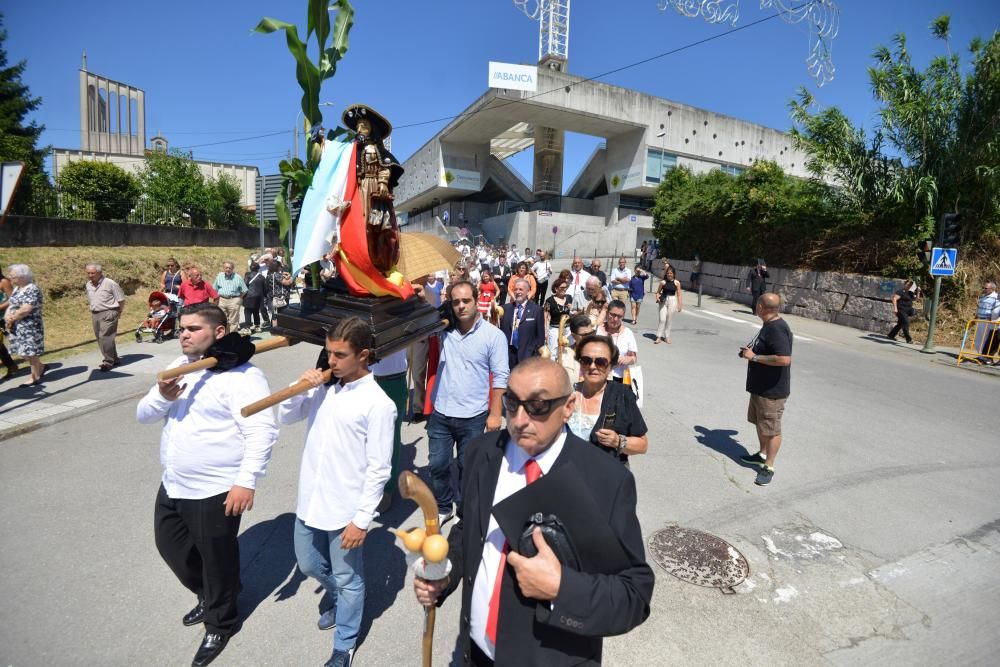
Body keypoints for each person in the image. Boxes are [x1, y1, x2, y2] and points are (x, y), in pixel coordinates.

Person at [413, 357, 654, 665]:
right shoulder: (482, 452)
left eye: (538, 406)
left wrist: (561, 589)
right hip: (474, 654)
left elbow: (633, 595)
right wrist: (446, 573)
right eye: (512, 403)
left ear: (568, 406)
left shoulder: (606, 479)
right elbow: (468, 529)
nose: (519, 419)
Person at [136, 303, 278, 667]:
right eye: (182, 328)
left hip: (216, 489)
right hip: (174, 483)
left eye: (193, 328)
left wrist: (246, 482)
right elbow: (143, 416)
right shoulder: (178, 368)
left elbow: (262, 431)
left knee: (218, 559)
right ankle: (213, 593)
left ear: (217, 332)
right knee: (173, 550)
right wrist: (161, 397)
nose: (183, 333)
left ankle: (221, 621)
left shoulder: (244, 376)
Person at [278, 318, 394, 667]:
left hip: (345, 511)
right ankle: (343, 596)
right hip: (310, 501)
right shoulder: (323, 387)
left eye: (340, 355)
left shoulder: (379, 404)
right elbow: (286, 416)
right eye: (328, 352)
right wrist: (300, 385)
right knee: (309, 564)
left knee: (348, 577)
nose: (331, 361)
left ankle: (344, 643)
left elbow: (379, 469)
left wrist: (361, 521)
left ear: (363, 355)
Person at [428, 281, 509, 524]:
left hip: (474, 415)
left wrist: (495, 414)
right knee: (438, 465)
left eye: (466, 301)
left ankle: (465, 509)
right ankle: (444, 506)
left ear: (477, 300)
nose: (461, 306)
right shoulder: (444, 330)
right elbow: (419, 323)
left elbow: (501, 377)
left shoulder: (493, 336)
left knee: (468, 467)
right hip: (441, 412)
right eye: (455, 302)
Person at [738, 293, 793, 486]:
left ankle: (768, 466)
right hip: (760, 388)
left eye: (756, 303)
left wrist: (754, 357)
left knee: (772, 428)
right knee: (761, 424)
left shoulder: (777, 329)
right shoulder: (769, 325)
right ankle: (762, 454)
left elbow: (784, 359)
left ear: (761, 306)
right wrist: (750, 352)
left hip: (772, 392)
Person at [568, 334, 649, 466]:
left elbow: (643, 444)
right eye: (586, 360)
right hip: (569, 474)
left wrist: (618, 441)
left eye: (601, 362)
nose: (593, 366)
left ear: (611, 365)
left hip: (607, 476)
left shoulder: (622, 395)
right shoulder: (568, 394)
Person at [371, 347, 408, 512]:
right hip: (365, 377)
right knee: (364, 436)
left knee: (390, 438)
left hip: (393, 379)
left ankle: (387, 489)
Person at [4, 264, 45, 385]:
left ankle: (34, 377)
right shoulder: (17, 289)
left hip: (30, 326)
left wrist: (12, 317)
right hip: (17, 326)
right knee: (22, 352)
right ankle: (40, 367)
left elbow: (27, 308)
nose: (10, 278)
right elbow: (11, 304)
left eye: (12, 276)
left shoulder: (32, 289)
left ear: (22, 276)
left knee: (29, 352)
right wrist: (8, 316)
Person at [85, 263, 126, 372]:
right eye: (88, 273)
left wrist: (119, 312)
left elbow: (121, 299)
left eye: (92, 273)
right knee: (100, 337)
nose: (90, 275)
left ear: (99, 272)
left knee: (105, 337)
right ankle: (115, 358)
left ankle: (108, 361)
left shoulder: (110, 283)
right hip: (95, 313)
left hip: (109, 312)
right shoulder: (88, 285)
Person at [501, 278, 546, 371]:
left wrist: (536, 357)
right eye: (516, 289)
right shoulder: (505, 309)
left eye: (521, 289)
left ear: (528, 291)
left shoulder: (537, 310)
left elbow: (540, 338)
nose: (517, 292)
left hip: (527, 356)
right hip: (508, 356)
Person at [597, 300, 638, 382]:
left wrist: (627, 359)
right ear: (607, 312)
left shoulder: (627, 333)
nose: (615, 319)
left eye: (619, 316)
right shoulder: (598, 330)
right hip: (598, 375)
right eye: (612, 314)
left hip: (618, 378)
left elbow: (634, 357)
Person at [558, 314, 596, 383]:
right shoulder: (565, 356)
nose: (589, 338)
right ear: (573, 335)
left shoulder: (601, 351)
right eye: (584, 335)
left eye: (591, 333)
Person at [213, 261, 247, 334]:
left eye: (230, 268)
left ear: (232, 269)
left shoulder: (237, 277)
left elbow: (244, 290)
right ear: (224, 268)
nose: (228, 269)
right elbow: (215, 289)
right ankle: (224, 336)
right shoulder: (219, 276)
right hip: (222, 300)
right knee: (222, 319)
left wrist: (238, 299)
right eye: (226, 268)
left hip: (234, 300)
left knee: (233, 321)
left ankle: (233, 337)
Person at [654, 266, 683, 344]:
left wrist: (680, 305)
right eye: (668, 273)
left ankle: (667, 336)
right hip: (663, 300)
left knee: (669, 319)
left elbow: (679, 294)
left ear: (673, 274)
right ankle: (658, 337)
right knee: (662, 319)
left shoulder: (677, 283)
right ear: (666, 274)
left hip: (672, 300)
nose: (669, 274)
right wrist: (657, 298)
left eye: (671, 273)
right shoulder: (663, 282)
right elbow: (657, 292)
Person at [543, 278, 572, 355]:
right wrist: (545, 332)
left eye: (566, 287)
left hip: (567, 329)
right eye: (562, 288)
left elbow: (572, 314)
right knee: (554, 351)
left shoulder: (569, 298)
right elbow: (545, 317)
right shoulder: (549, 301)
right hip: (555, 329)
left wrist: (572, 309)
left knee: (567, 351)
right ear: (556, 288)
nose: (564, 289)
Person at [0, 265, 18, 381]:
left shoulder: (4, 282)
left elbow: (13, 299)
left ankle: (36, 364)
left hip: (2, 317)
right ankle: (11, 365)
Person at [886, 279, 918, 344]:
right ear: (905, 284)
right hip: (901, 310)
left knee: (900, 324)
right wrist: (895, 308)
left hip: (907, 311)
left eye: (910, 285)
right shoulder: (900, 292)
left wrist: (918, 292)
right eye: (908, 284)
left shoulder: (910, 293)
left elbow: (916, 299)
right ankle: (908, 339)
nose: (909, 286)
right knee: (906, 322)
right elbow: (894, 299)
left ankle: (891, 335)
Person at [976, 281, 1000, 363]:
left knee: (986, 339)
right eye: (984, 287)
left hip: (988, 321)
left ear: (992, 289)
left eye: (986, 288)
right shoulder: (982, 296)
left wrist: (994, 319)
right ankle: (980, 356)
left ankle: (985, 357)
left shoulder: (996, 297)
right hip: (979, 319)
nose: (984, 289)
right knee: (978, 339)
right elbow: (979, 308)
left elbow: (996, 310)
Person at [242, 263, 267, 333]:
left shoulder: (247, 275)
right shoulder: (261, 277)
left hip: (248, 296)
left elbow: (244, 286)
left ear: (250, 268)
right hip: (259, 297)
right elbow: (265, 289)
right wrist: (265, 296)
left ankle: (248, 328)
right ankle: (257, 326)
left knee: (247, 312)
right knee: (256, 311)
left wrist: (242, 296)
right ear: (258, 268)